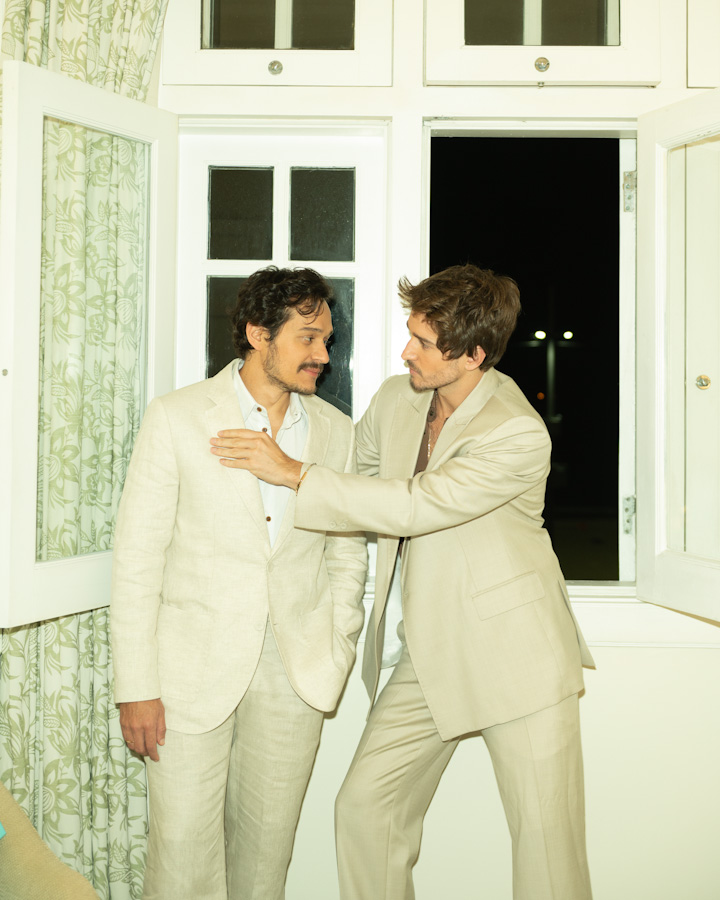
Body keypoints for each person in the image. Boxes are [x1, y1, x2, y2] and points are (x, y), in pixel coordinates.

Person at [211, 264, 595, 900]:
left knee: (547, 850)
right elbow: (354, 479)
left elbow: (417, 505)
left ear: (473, 355)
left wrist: (294, 473)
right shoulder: (397, 398)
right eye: (410, 333)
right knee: (366, 811)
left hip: (518, 653)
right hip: (429, 650)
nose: (405, 352)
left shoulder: (516, 432)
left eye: (422, 342)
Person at [111, 266, 367, 900]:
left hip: (295, 673)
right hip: (187, 674)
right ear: (258, 334)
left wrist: (336, 646)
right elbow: (138, 559)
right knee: (182, 861)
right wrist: (136, 686)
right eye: (307, 338)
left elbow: (346, 551)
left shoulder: (335, 431)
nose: (322, 354)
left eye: (326, 339)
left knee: (265, 861)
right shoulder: (177, 417)